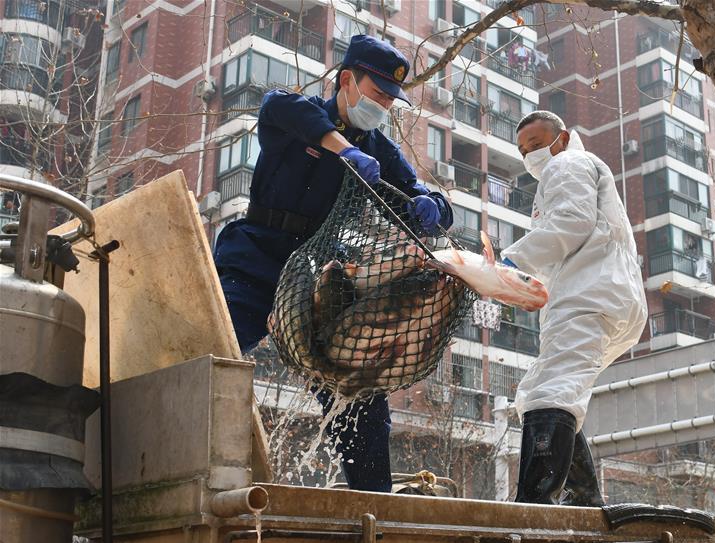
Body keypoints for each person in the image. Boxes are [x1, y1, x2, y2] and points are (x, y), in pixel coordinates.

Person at [213, 35, 453, 492]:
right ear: (347, 80)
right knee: (214, 346)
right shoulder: (300, 115)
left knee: (359, 391)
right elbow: (277, 105)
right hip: (258, 257)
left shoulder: (380, 149)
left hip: (318, 277)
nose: (384, 105)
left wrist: (432, 207)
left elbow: (421, 196)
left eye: (391, 99)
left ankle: (373, 501)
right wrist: (342, 149)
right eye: (378, 93)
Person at [500, 111, 647, 505]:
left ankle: (535, 503)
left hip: (589, 292)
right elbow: (569, 240)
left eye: (536, 144)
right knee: (541, 389)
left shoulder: (566, 164)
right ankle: (582, 494)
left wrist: (512, 261)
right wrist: (526, 283)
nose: (530, 155)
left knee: (553, 387)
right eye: (523, 150)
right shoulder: (571, 171)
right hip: (602, 293)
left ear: (562, 138)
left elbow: (571, 223)